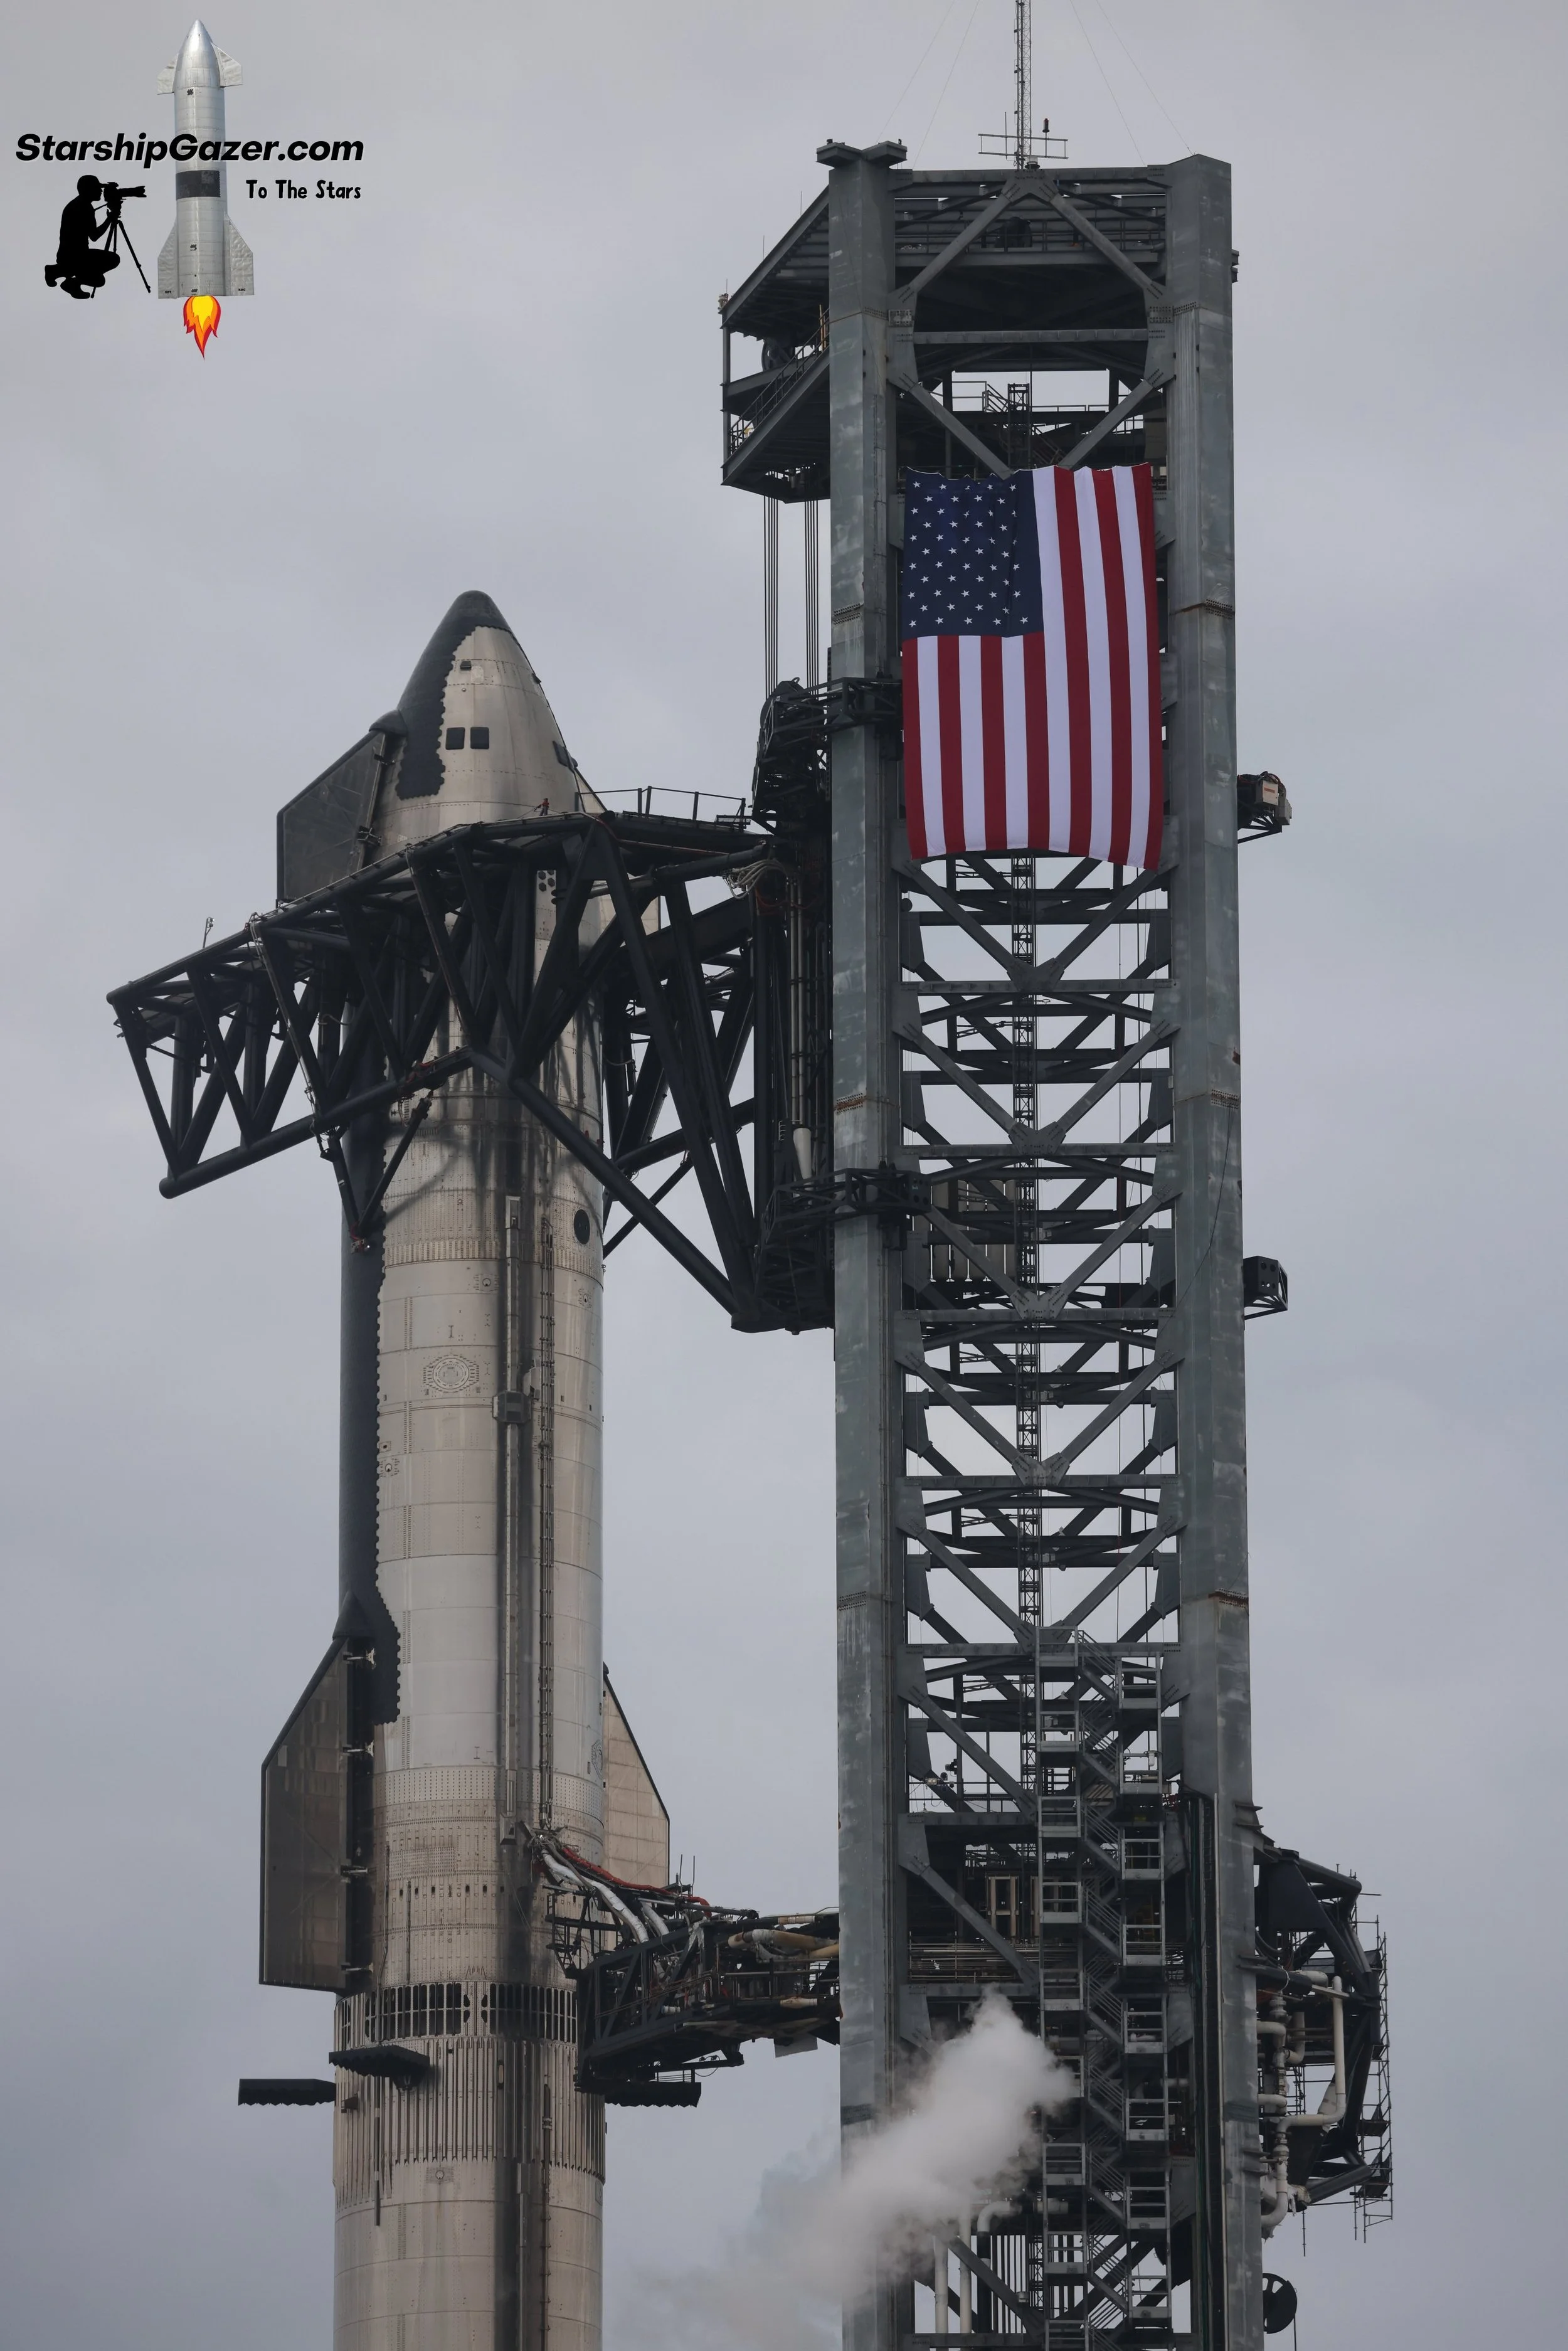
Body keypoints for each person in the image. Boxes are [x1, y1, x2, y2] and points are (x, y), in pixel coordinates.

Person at [45, 175, 120, 299]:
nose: (101, 191)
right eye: (97, 188)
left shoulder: (79, 204)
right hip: (75, 256)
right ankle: (62, 275)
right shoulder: (84, 207)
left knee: (99, 280)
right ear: (88, 189)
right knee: (113, 260)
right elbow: (94, 236)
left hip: (70, 255)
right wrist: (110, 219)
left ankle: (58, 272)